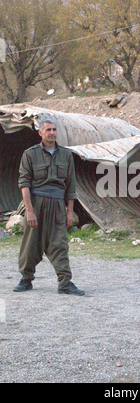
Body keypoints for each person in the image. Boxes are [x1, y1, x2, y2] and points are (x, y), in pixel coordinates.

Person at [13, 119, 85, 296]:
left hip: (57, 203)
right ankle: (26, 279)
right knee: (31, 243)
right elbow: (24, 184)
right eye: (48, 130)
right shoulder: (30, 155)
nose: (52, 132)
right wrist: (29, 210)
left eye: (54, 129)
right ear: (40, 133)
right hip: (36, 202)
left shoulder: (66, 155)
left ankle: (65, 283)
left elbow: (71, 185)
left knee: (60, 243)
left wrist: (70, 211)